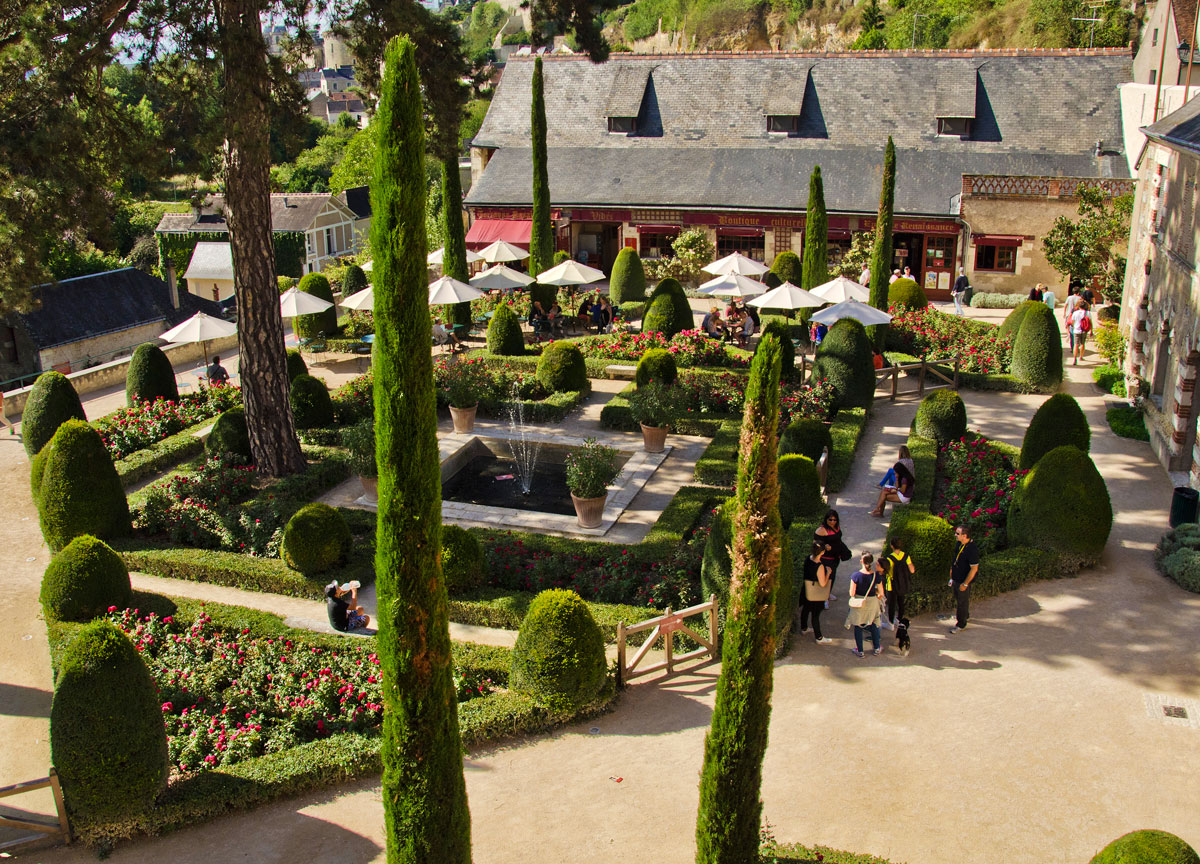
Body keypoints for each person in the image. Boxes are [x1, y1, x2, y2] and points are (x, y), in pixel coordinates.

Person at [846, 552, 886, 657]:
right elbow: (881, 593)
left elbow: (851, 593)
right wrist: (875, 597)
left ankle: (860, 651)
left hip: (859, 603)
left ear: (861, 561)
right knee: (874, 624)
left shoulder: (855, 576)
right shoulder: (876, 575)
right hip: (872, 603)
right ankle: (877, 648)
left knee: (858, 625)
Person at [948, 524, 980, 634]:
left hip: (963, 580)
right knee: (959, 599)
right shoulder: (959, 544)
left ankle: (961, 624)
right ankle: (965, 616)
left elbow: (974, 569)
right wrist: (951, 572)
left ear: (964, 535)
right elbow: (955, 559)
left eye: (957, 533)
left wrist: (965, 584)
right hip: (956, 578)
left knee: (962, 602)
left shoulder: (972, 550)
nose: (955, 535)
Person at [814, 509, 851, 603]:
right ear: (826, 519)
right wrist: (824, 546)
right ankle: (823, 599)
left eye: (834, 520)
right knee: (826, 577)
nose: (832, 522)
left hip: (835, 557)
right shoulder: (821, 530)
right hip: (826, 559)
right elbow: (815, 543)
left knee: (832, 576)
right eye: (830, 519)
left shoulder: (836, 527)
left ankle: (828, 594)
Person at [800, 541, 833, 643]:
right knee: (815, 615)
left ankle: (804, 628)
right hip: (815, 593)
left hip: (806, 589)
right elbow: (823, 584)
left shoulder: (808, 558)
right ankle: (819, 637)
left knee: (805, 609)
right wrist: (828, 573)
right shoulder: (819, 566)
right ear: (822, 552)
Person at [869, 445, 915, 517]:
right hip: (902, 493)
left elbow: (903, 491)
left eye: (896, 473)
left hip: (904, 496)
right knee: (883, 491)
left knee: (884, 495)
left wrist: (895, 490)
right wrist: (897, 479)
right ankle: (878, 510)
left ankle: (878, 510)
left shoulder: (904, 479)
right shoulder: (910, 461)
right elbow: (898, 486)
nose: (895, 474)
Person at [882, 536, 916, 631]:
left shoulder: (889, 558)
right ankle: (899, 620)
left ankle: (890, 623)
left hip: (891, 584)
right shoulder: (906, 556)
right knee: (901, 603)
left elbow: (885, 571)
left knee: (891, 604)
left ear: (891, 546)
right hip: (902, 584)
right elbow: (912, 570)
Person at [1069, 299, 1092, 365]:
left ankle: (1075, 359)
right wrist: (1091, 331)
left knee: (1076, 344)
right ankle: (1081, 357)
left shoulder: (1075, 313)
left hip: (1076, 330)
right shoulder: (1088, 313)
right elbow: (1090, 322)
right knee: (1082, 344)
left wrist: (1073, 326)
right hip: (1084, 330)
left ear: (1079, 306)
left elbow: (1072, 322)